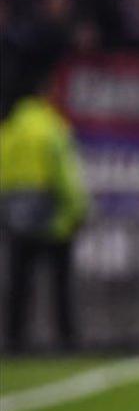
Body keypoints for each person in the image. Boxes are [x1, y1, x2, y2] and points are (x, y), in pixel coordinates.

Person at [0, 75, 89, 353]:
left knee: (19, 282)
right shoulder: (52, 128)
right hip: (53, 217)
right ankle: (66, 339)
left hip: (16, 216)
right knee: (60, 283)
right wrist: (77, 210)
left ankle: (14, 338)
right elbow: (66, 175)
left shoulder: (11, 128)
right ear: (47, 94)